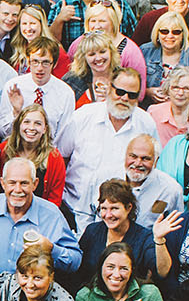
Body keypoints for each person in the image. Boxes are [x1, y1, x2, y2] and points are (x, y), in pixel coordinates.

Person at [0, 157, 80, 287]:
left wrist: (51, 250)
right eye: (12, 183)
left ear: (35, 184)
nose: (17, 190)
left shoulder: (51, 215)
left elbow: (75, 261)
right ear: (2, 183)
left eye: (24, 183)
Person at [61, 67, 159, 227]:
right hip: (74, 209)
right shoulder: (83, 116)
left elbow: (151, 165)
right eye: (119, 92)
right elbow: (62, 155)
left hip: (122, 216)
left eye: (132, 95)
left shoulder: (146, 123)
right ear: (109, 88)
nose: (124, 98)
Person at [76, 179, 158, 286]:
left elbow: (160, 272)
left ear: (128, 208)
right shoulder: (92, 231)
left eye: (114, 208)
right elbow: (79, 273)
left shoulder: (144, 238)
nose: (108, 215)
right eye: (104, 209)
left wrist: (159, 240)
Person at [141, 13, 189, 95]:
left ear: (183, 35)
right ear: (157, 33)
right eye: (164, 31)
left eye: (176, 32)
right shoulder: (145, 51)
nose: (170, 36)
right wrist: (147, 92)